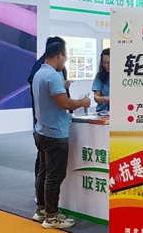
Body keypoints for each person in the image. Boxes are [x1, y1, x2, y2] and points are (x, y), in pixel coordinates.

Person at [32, 41, 91, 229]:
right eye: (65, 58)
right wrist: (82, 102)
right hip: (55, 134)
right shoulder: (52, 75)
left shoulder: (40, 73)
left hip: (41, 131)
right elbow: (64, 103)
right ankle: (52, 217)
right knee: (54, 176)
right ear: (59, 55)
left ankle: (41, 210)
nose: (65, 61)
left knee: (43, 172)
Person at [92, 48, 110, 112]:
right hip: (103, 111)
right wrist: (104, 99)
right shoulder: (99, 76)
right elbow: (96, 97)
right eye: (104, 63)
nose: (106, 65)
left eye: (109, 63)